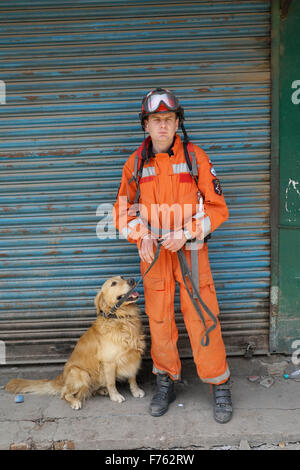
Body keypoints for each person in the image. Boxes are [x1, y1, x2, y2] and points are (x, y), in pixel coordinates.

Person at [113, 88, 232, 423]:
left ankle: (219, 383)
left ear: (178, 122)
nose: (162, 126)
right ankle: (166, 380)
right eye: (155, 120)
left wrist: (188, 233)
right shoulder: (135, 164)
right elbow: (122, 212)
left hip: (191, 252)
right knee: (160, 319)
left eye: (168, 119)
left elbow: (217, 209)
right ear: (146, 126)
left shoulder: (196, 159)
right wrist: (142, 234)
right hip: (154, 256)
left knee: (202, 316)